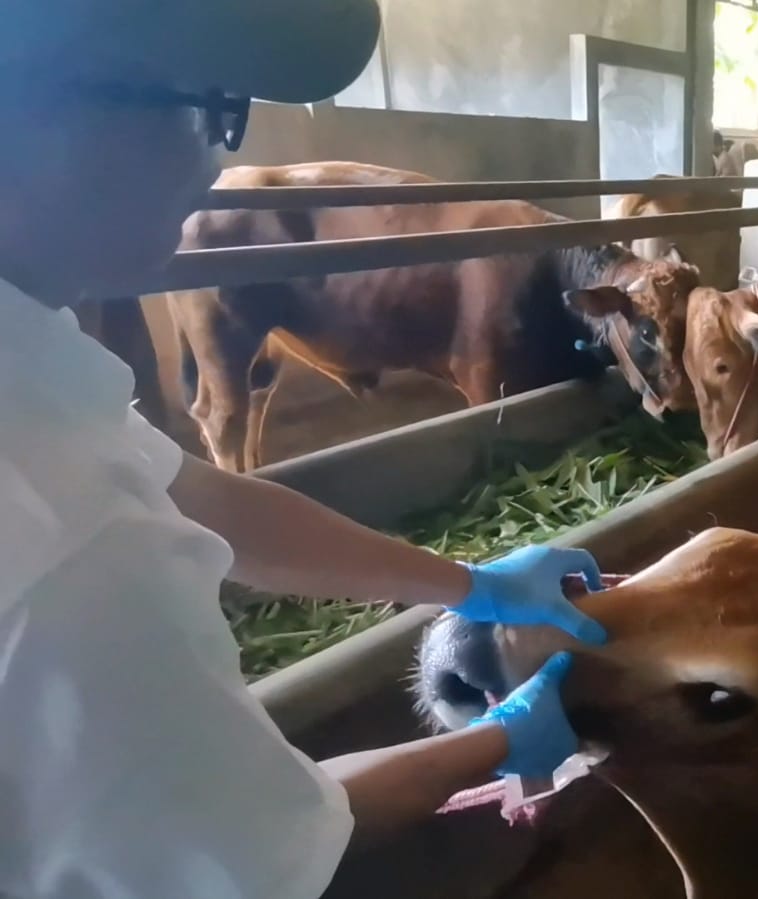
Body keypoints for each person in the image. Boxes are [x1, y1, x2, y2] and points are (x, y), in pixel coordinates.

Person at [0, 2, 604, 897]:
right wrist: (506, 737)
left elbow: (200, 494)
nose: (219, 162)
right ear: (44, 103)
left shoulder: (42, 390)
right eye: (213, 108)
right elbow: (264, 846)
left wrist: (467, 581)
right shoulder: (76, 543)